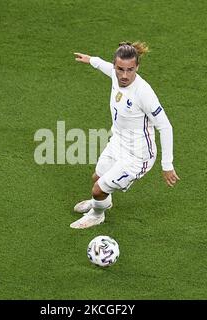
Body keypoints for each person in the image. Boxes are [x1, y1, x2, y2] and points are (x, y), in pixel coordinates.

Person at [70, 41, 179, 229]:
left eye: (130, 70)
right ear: (116, 66)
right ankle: (103, 201)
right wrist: (91, 60)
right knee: (97, 177)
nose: (125, 76)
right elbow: (106, 68)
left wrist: (167, 165)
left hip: (138, 156)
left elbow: (166, 126)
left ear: (137, 66)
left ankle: (97, 214)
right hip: (118, 142)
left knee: (97, 190)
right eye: (120, 69)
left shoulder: (144, 93)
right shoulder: (115, 74)